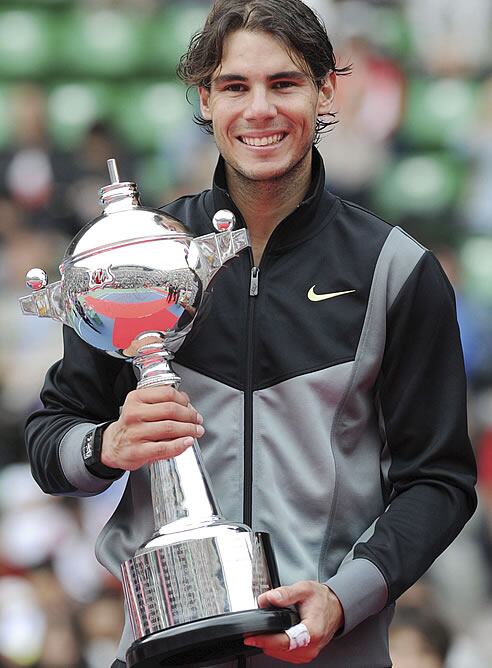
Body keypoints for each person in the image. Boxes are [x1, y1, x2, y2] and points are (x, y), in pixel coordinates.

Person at [25, 1, 477, 666]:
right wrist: (107, 444)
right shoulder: (132, 262)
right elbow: (48, 440)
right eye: (235, 86)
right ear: (205, 99)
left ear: (326, 89)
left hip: (328, 649)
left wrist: (343, 597)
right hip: (162, 647)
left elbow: (438, 483)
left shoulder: (396, 271)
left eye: (285, 84)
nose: (259, 110)